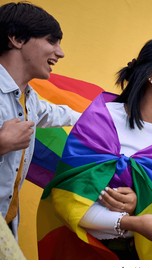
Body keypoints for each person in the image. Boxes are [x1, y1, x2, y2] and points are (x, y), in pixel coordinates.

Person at [37, 36, 152, 260]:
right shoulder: (99, 120)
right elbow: (68, 199)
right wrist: (131, 221)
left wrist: (139, 204)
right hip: (81, 253)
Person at [0, 2, 82, 239]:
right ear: (16, 38)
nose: (60, 52)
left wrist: (108, 116)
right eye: (51, 40)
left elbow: (62, 114)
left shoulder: (30, 100)